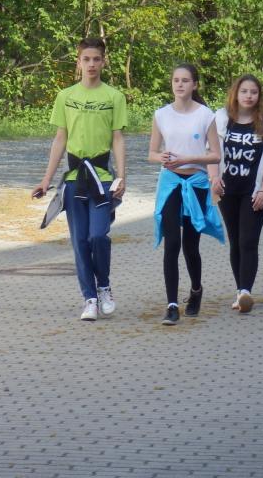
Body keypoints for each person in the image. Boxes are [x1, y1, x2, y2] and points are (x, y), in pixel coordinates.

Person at [33, 37, 127, 322]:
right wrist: (46, 180)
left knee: (98, 235)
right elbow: (60, 138)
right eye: (86, 59)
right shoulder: (66, 96)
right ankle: (89, 299)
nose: (91, 64)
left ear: (103, 62)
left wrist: (122, 177)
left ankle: (104, 287)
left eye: (96, 59)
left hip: (102, 179)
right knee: (80, 241)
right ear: (79, 62)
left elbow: (118, 138)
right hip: (74, 179)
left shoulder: (114, 97)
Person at [149, 64, 223, 326]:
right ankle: (171, 305)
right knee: (172, 243)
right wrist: (162, 157)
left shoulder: (205, 115)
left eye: (185, 80)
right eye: (176, 80)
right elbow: (151, 153)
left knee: (191, 246)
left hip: (196, 182)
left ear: (194, 85)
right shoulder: (161, 115)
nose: (179, 84)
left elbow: (216, 155)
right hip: (170, 183)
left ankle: (196, 290)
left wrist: (189, 158)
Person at [211, 74, 263, 314]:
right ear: (236, 94)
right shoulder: (221, 118)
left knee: (248, 240)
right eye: (244, 91)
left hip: (254, 192)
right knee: (236, 240)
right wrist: (214, 178)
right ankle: (240, 291)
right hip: (227, 191)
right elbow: (212, 151)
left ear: (259, 96)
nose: (249, 96)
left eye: (254, 92)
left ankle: (246, 290)